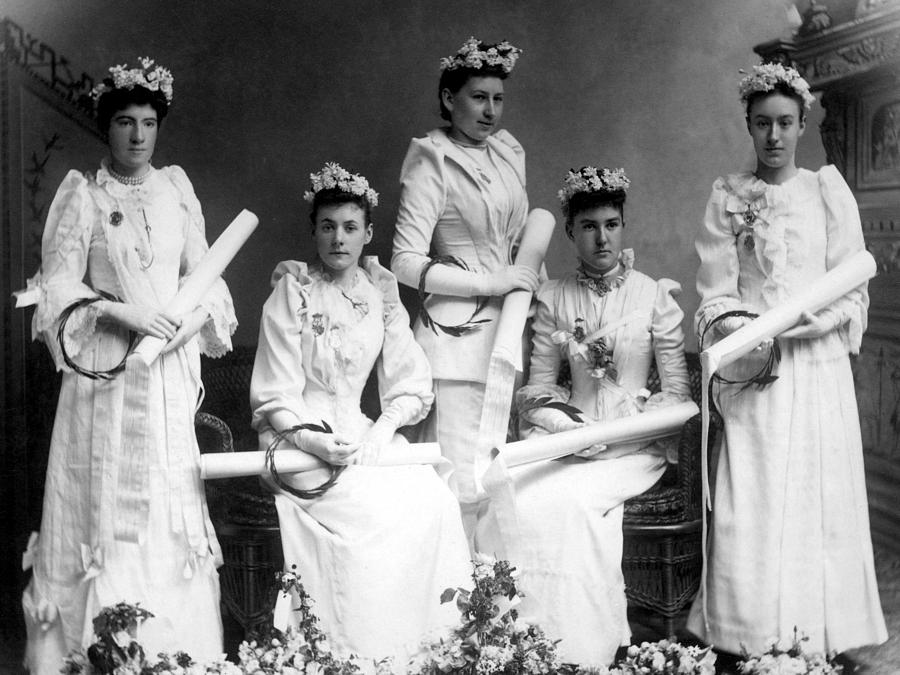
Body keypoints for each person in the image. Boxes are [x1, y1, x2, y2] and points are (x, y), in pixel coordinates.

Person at [19, 57, 236, 672]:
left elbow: (209, 283)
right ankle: (92, 650)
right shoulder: (82, 196)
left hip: (164, 373)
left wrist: (179, 328)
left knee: (165, 499)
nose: (138, 136)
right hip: (106, 375)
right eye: (124, 122)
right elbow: (55, 292)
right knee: (103, 496)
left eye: (147, 123)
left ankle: (172, 651)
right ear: (105, 128)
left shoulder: (176, 190)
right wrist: (126, 315)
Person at [686, 63, 887, 657]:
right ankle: (749, 633)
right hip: (759, 365)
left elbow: (853, 278)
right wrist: (746, 332)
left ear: (802, 125)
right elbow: (714, 293)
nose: (773, 136)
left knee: (818, 493)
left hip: (818, 362)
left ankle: (822, 634)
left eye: (784, 123)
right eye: (761, 125)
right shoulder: (728, 197)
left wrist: (821, 321)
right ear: (748, 127)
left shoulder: (826, 189)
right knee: (757, 491)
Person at [250, 163, 471, 665]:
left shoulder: (379, 292)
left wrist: (386, 428)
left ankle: (421, 653)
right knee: (371, 513)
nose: (338, 238)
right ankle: (358, 655)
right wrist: (314, 440)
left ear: (368, 233)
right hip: (295, 438)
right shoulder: (293, 291)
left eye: (351, 227)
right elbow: (276, 394)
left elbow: (409, 380)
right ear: (314, 231)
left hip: (358, 432)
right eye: (327, 226)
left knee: (434, 501)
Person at [476, 167, 691, 667]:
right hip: (571, 442)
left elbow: (679, 395)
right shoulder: (553, 297)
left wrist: (627, 430)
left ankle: (578, 649)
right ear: (571, 231)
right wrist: (565, 429)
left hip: (635, 447)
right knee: (511, 498)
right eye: (590, 226)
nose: (602, 238)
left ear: (624, 225)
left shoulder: (652, 295)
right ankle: (521, 642)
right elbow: (538, 389)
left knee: (569, 507)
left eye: (612, 224)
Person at [391, 37, 539, 540]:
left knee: (498, 472)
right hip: (454, 339)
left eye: (498, 98)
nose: (490, 110)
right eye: (478, 97)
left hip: (507, 331)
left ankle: (494, 606)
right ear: (449, 98)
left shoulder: (507, 152)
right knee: (459, 478)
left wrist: (516, 286)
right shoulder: (431, 160)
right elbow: (405, 261)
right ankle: (459, 607)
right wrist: (492, 281)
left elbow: (515, 238)